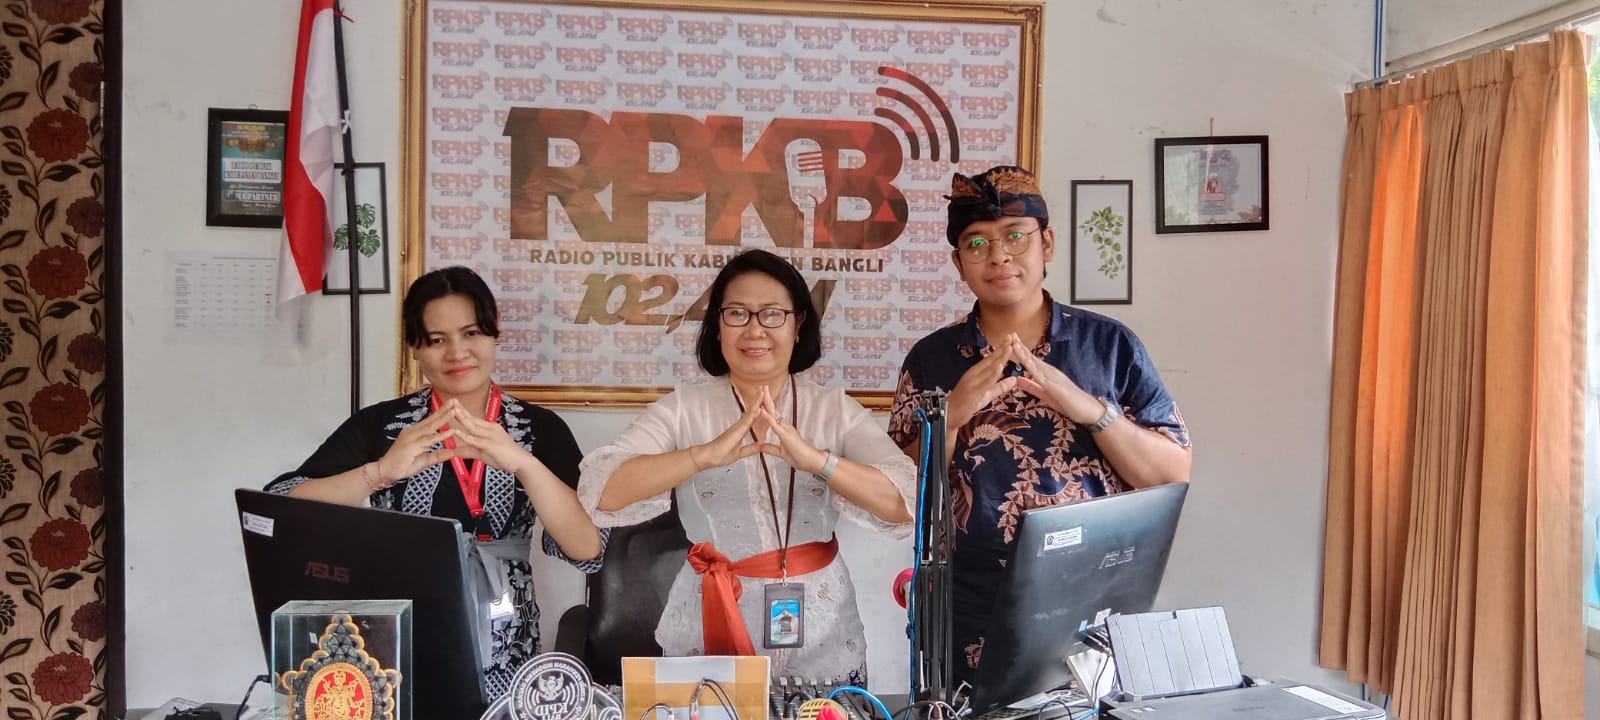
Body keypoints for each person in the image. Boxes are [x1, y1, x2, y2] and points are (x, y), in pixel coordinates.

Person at [888, 166, 1191, 685]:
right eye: (977, 243)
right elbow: (900, 493)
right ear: (958, 262)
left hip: (1095, 599)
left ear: (1046, 242)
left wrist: (1092, 411)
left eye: (1015, 236)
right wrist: (951, 415)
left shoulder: (1109, 346)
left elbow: (1172, 474)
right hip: (967, 603)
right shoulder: (932, 359)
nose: (999, 256)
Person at [265, 266, 606, 698]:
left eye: (471, 333)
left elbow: (589, 550)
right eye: (437, 340)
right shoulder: (385, 425)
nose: (458, 353)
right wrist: (380, 472)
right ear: (414, 348)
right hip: (396, 636)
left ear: (494, 334)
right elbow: (281, 509)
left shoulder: (539, 429)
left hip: (507, 639)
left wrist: (524, 464)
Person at [579, 249, 916, 681]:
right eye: (737, 313)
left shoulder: (834, 410)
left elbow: (904, 502)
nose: (755, 329)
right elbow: (602, 489)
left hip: (822, 628)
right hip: (710, 618)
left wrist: (819, 461)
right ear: (717, 326)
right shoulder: (682, 410)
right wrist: (701, 456)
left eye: (772, 314)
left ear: (798, 326)